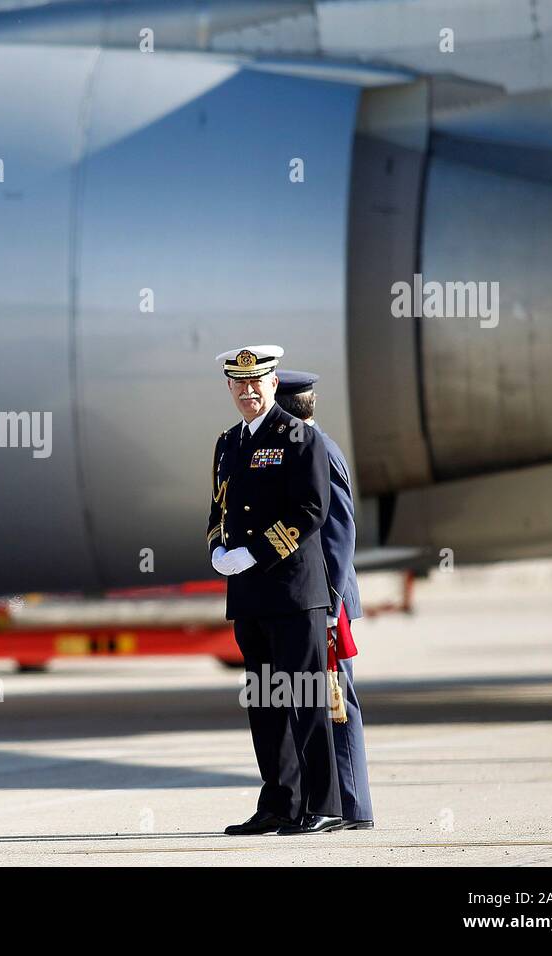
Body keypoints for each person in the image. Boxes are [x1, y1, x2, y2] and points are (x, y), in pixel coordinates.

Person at [207, 345, 344, 835]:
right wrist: (217, 550)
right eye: (239, 384)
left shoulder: (297, 437)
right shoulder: (228, 443)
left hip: (291, 593)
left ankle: (323, 804)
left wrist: (255, 553)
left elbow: (311, 510)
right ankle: (279, 804)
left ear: (271, 383)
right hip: (248, 596)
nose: (248, 391)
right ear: (229, 388)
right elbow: (219, 510)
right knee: (264, 703)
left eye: (256, 382)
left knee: (304, 700)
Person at [274, 370, 374, 830]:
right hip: (320, 598)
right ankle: (326, 804)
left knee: (337, 701)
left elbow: (339, 535)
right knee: (319, 699)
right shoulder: (309, 448)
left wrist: (331, 607)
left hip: (329, 599)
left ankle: (353, 810)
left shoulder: (320, 452)